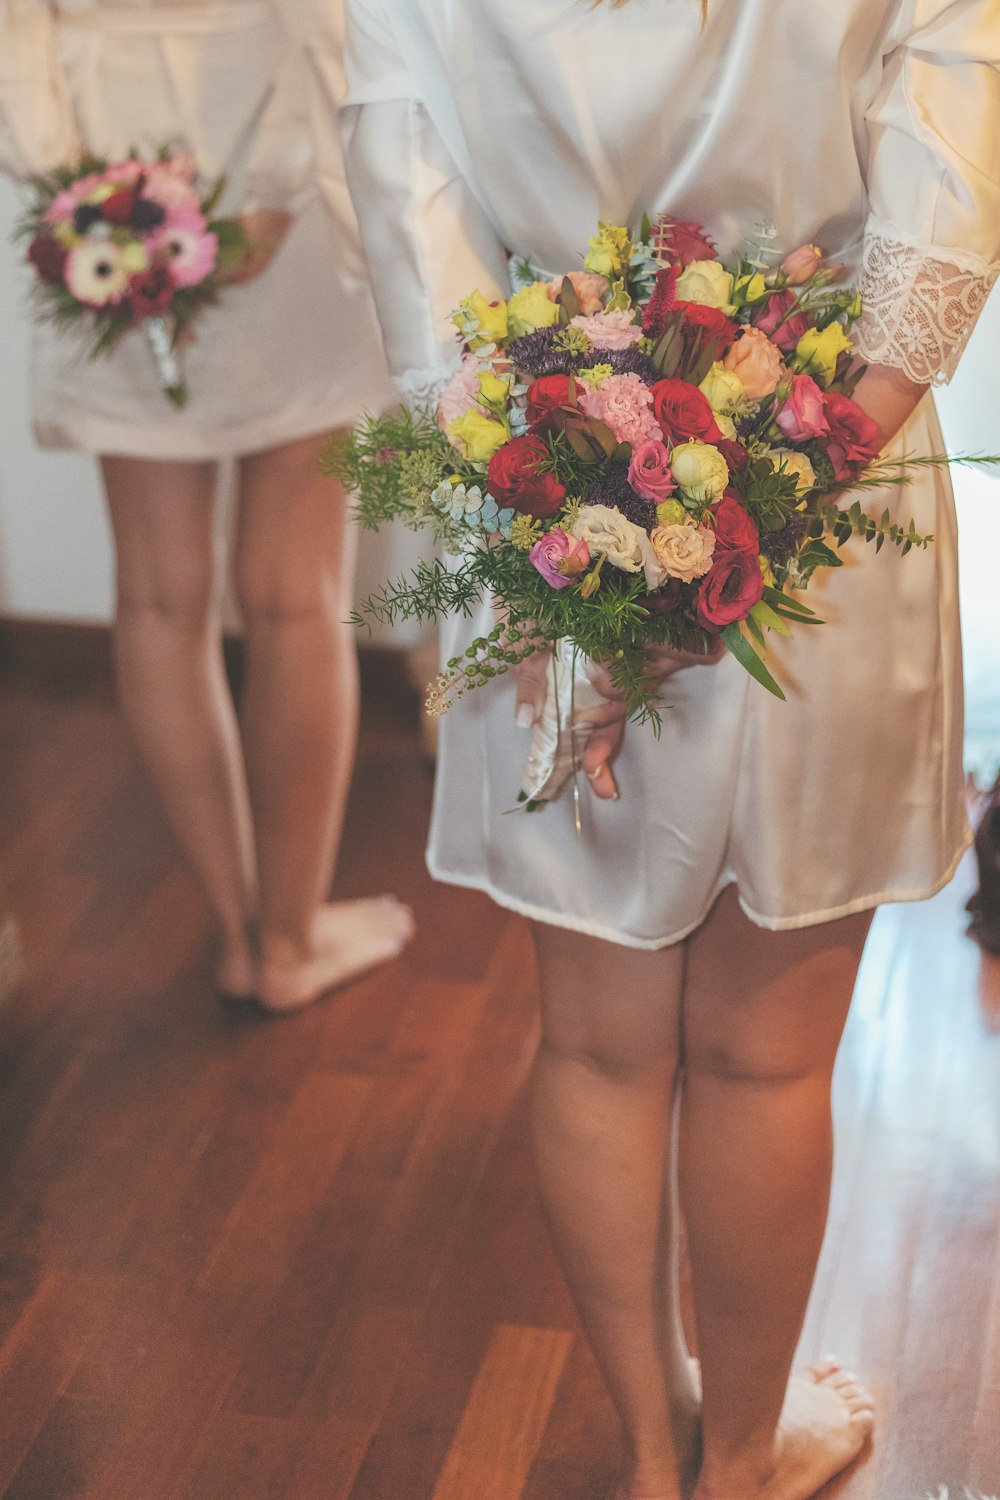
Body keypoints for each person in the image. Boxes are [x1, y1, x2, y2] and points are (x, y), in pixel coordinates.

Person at [340, 2, 1000, 1496]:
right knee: (765, 1066)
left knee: (595, 1045)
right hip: (836, 508)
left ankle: (653, 1453)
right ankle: (743, 1463)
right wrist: (760, 500)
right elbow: (942, 205)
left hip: (542, 506)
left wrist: (568, 497)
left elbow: (411, 211)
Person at [0, 0, 415, 1013]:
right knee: (295, 595)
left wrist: (77, 191)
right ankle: (287, 942)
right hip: (273, 121)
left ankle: (242, 928)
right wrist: (270, 195)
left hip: (101, 165)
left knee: (156, 598)